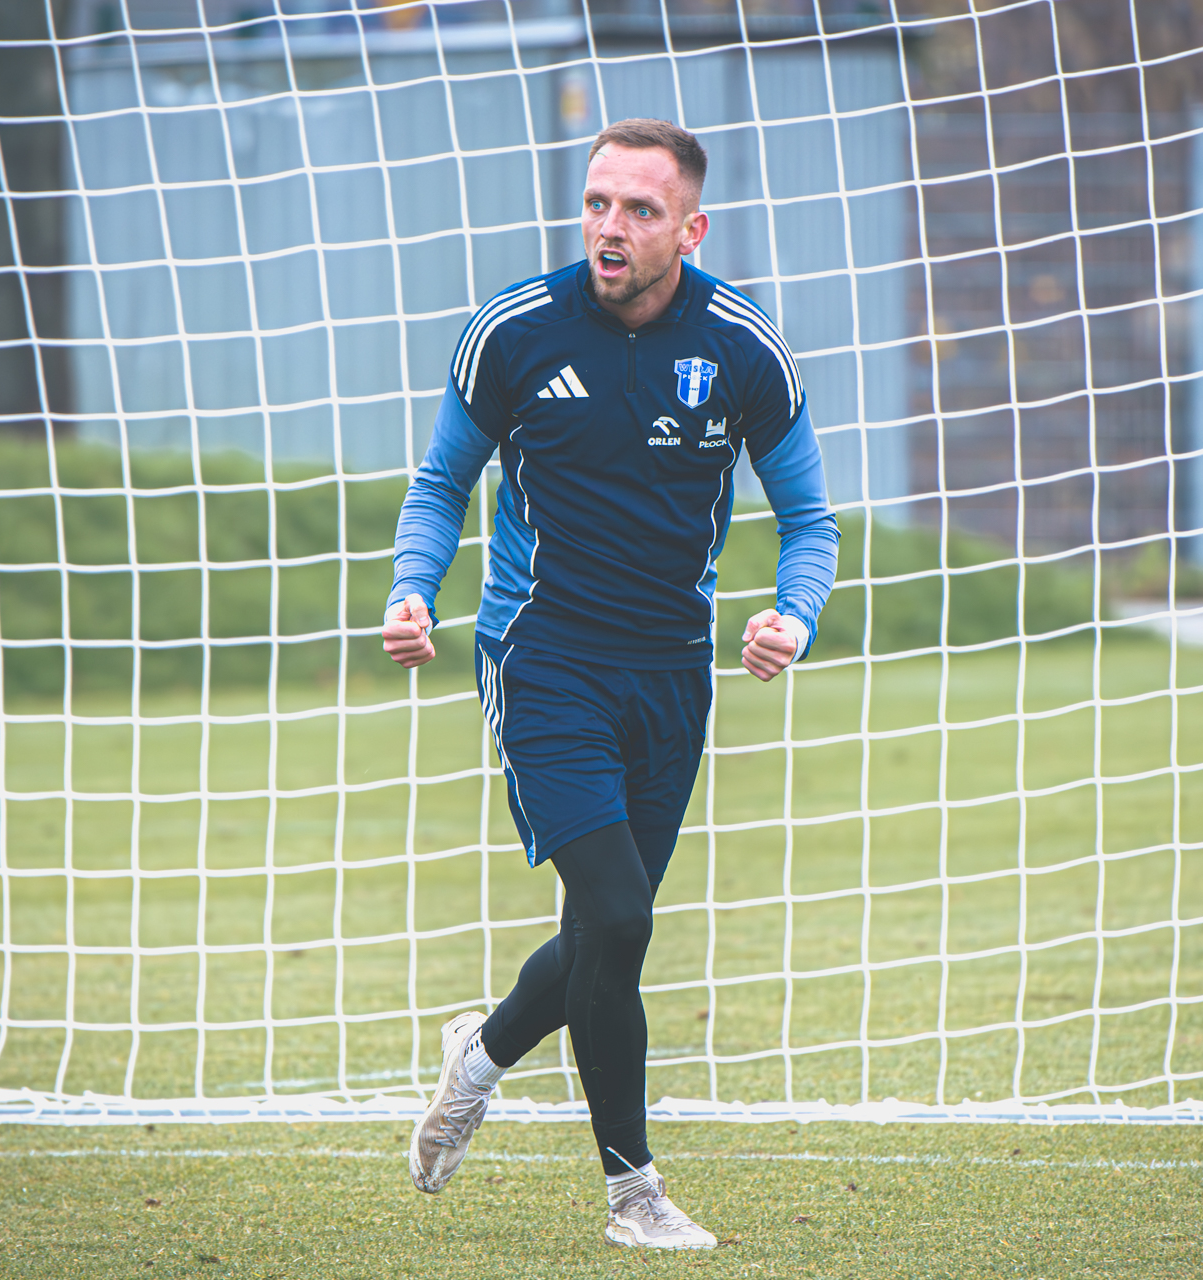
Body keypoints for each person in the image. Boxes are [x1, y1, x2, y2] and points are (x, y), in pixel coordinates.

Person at [381, 117, 839, 1250]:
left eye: (639, 209)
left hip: (673, 673)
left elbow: (811, 521)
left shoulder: (743, 347)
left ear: (691, 228)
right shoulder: (514, 331)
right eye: (597, 203)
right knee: (623, 916)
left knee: (603, 928)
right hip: (542, 659)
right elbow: (441, 483)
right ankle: (634, 1195)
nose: (609, 228)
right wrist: (412, 588)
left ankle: (479, 1055)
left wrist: (793, 616)